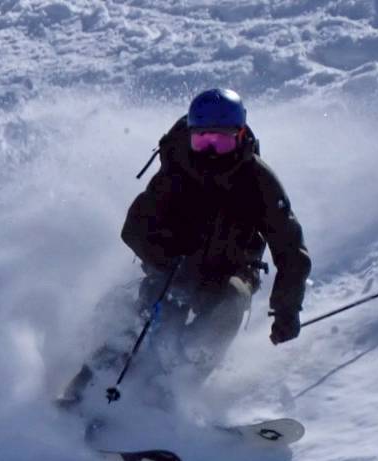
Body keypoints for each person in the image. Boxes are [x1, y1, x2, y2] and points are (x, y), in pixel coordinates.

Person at [59, 88, 311, 406]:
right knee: (155, 320)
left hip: (232, 269)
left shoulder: (258, 181)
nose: (211, 152)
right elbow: (135, 227)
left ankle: (173, 392)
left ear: (240, 135)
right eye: (202, 141)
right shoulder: (177, 171)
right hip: (175, 267)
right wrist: (167, 258)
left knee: (230, 304)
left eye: (221, 142)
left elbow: (290, 247)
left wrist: (287, 309)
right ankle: (82, 391)